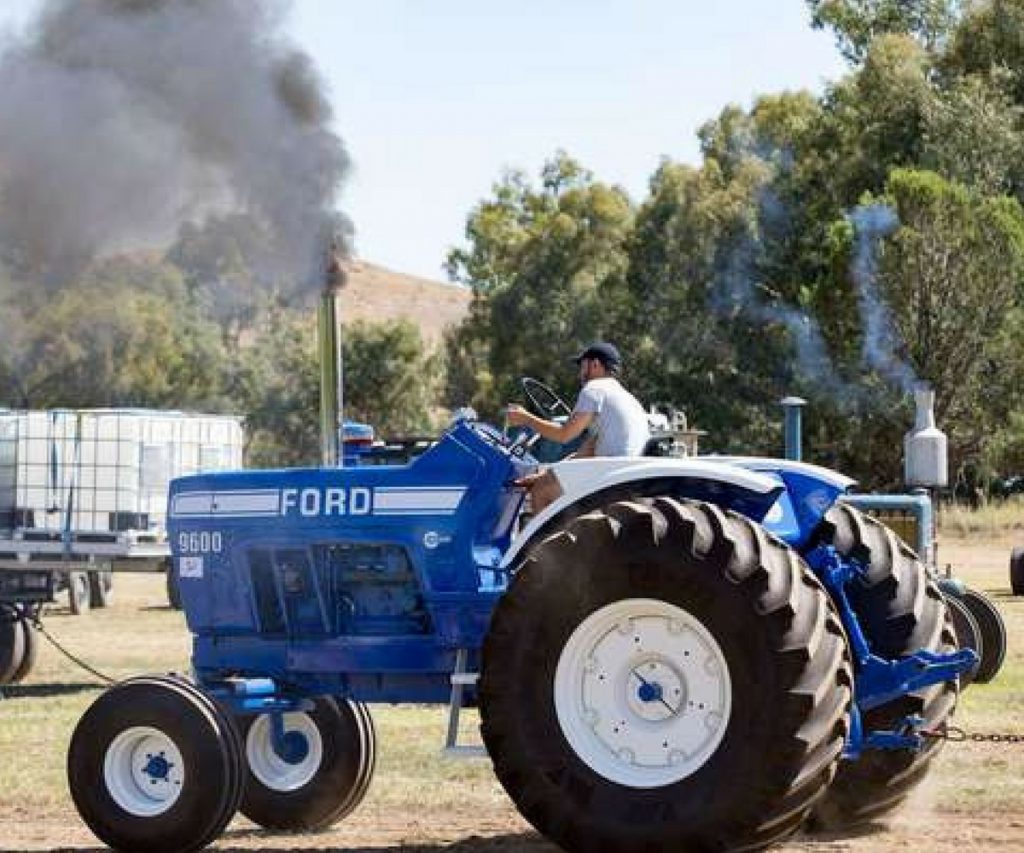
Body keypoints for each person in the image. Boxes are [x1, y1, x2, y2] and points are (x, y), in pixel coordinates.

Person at [506, 341, 650, 512]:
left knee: (542, 490)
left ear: (595, 364)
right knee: (547, 482)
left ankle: (544, 539)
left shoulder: (594, 389)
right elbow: (587, 452)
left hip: (610, 473)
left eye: (582, 366)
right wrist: (545, 474)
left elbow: (563, 435)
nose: (580, 374)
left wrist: (526, 418)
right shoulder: (626, 397)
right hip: (626, 473)